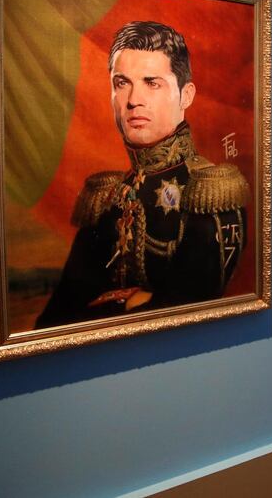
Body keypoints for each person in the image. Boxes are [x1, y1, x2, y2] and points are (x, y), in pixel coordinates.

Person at [36, 21, 249, 328]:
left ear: (185, 95)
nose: (134, 99)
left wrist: (117, 306)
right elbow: (56, 321)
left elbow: (189, 315)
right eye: (122, 83)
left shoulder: (210, 192)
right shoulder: (106, 195)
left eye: (152, 82)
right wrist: (134, 301)